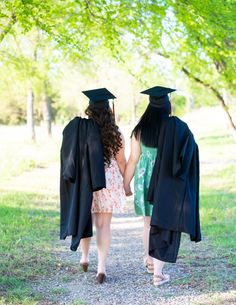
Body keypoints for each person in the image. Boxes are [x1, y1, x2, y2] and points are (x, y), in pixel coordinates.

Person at [124, 86, 201, 286]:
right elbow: (188, 151)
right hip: (166, 182)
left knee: (148, 224)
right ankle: (158, 272)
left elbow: (133, 160)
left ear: (149, 106)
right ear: (168, 106)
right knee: (163, 223)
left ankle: (149, 260)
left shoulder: (140, 130)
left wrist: (126, 184)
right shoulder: (174, 128)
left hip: (144, 180)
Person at [79, 88, 126, 284]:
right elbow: (122, 161)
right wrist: (126, 183)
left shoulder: (82, 130)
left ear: (90, 109)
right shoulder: (116, 133)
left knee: (85, 220)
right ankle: (101, 269)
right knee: (103, 225)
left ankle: (84, 257)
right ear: (108, 109)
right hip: (109, 180)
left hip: (87, 179)